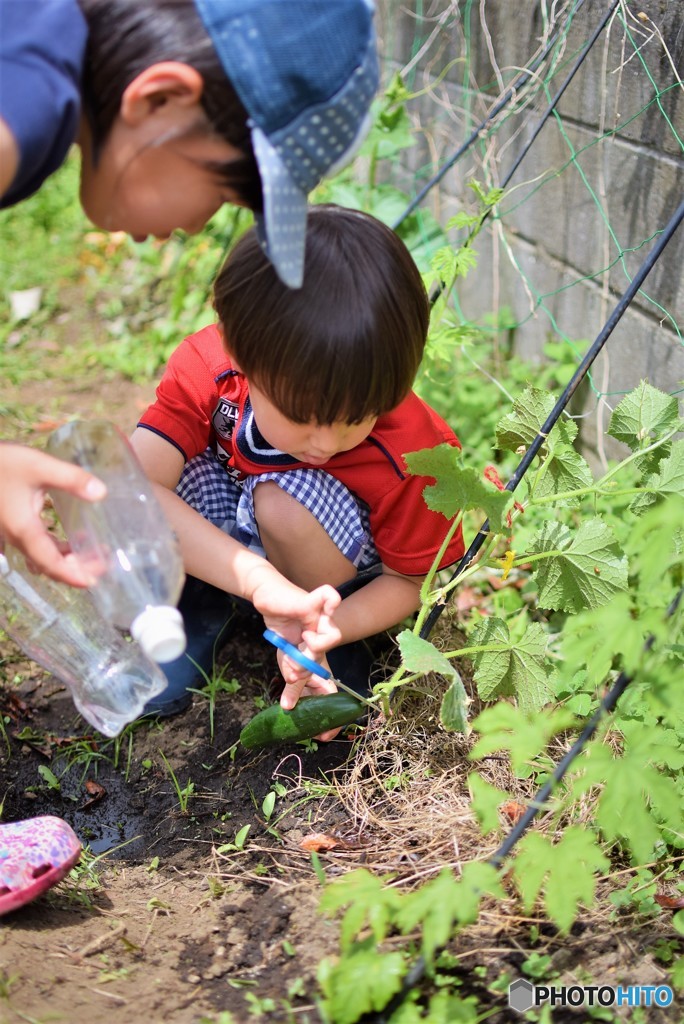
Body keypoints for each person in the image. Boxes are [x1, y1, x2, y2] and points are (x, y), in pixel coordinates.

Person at [0, 0, 378, 915]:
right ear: (159, 98)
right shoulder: (22, 100)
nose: (205, 221)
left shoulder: (32, 50)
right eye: (228, 187)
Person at [131, 205, 466, 723]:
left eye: (359, 417)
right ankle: (202, 609)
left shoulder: (415, 452)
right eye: (303, 417)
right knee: (183, 463)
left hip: (336, 579)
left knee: (281, 500)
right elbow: (138, 484)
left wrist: (334, 626)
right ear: (242, 357)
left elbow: (410, 579)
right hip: (238, 561)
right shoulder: (212, 373)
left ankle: (333, 648)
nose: (327, 441)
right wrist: (255, 580)